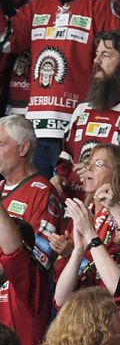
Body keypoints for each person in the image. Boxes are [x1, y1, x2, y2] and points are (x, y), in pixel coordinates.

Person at [6, 0, 120, 177]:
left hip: (79, 128)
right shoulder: (42, 2)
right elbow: (8, 38)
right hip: (37, 130)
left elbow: (117, 66)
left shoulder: (103, 3)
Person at [54, 32, 120, 201]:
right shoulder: (82, 109)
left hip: (115, 211)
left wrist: (105, 176)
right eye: (97, 54)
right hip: (73, 208)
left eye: (105, 55)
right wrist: (59, 178)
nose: (96, 60)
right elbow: (65, 161)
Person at [0, 115, 63, 272]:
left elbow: (39, 258)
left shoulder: (44, 193)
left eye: (0, 145)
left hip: (17, 285)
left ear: (23, 148)